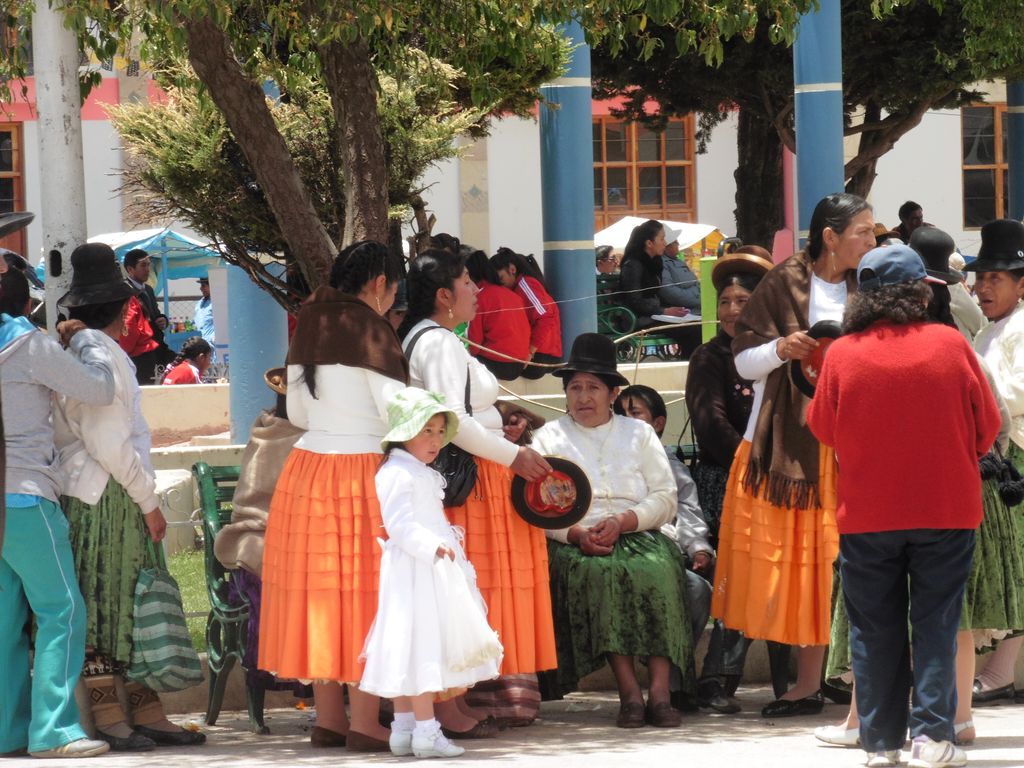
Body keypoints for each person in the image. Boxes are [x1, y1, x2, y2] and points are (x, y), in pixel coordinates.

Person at [808, 244, 1000, 768]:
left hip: (868, 514)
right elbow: (987, 428)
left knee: (874, 630)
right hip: (945, 508)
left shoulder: (842, 353)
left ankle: (880, 744)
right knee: (936, 624)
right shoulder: (950, 345)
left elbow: (823, 428)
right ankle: (932, 738)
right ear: (920, 292)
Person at [711, 193, 876, 718]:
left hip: (851, 444)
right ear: (830, 236)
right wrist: (783, 348)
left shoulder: (870, 284)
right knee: (800, 569)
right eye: (863, 231)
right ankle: (805, 684)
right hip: (786, 449)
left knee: (844, 568)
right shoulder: (783, 282)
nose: (871, 240)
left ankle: (845, 679)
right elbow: (744, 363)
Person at [53, 243, 205, 751]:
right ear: (123, 308)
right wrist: (149, 502)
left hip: (102, 493)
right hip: (107, 496)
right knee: (110, 601)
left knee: (123, 599)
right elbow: (109, 443)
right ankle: (112, 714)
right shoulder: (98, 355)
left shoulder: (85, 350)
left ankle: (142, 710)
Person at [258, 240, 409, 752]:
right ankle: (366, 722)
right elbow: (397, 413)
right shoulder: (372, 328)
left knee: (322, 593)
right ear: (380, 283)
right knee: (367, 593)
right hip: (360, 471)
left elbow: (297, 412)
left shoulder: (309, 322)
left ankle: (329, 719)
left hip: (308, 471)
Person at [400, 248, 556, 733]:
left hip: (478, 470)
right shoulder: (438, 342)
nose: (476, 290)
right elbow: (453, 420)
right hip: (473, 484)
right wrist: (514, 455)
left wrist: (498, 429)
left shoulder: (435, 338)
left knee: (468, 588)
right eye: (467, 282)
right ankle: (451, 704)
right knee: (466, 590)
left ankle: (459, 700)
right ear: (444, 296)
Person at [531, 333, 693, 729]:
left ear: (613, 393)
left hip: (639, 531)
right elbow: (537, 506)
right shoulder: (548, 437)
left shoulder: (639, 433)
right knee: (602, 575)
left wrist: (625, 521)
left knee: (657, 570)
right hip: (577, 539)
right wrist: (575, 534)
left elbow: (665, 497)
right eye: (575, 387)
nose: (583, 397)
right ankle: (630, 694)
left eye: (593, 387)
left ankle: (660, 693)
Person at [1, 265, 115, 759]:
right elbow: (99, 389)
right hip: (24, 495)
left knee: (4, 619)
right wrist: (88, 341)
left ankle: (7, 732)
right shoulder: (29, 346)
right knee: (61, 609)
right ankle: (54, 731)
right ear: (26, 303)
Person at [360, 388, 503, 759]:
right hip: (416, 570)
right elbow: (398, 524)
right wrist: (431, 545)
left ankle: (404, 728)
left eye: (440, 432)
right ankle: (426, 731)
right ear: (405, 432)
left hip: (429, 567)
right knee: (419, 645)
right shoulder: (396, 472)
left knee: (411, 644)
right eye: (427, 431)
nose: (436, 440)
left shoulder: (415, 470)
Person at [684, 245, 782, 714]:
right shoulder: (709, 357)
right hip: (728, 483)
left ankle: (805, 679)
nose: (731, 310)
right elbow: (711, 425)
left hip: (779, 483)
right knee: (738, 577)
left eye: (742, 301)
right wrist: (755, 466)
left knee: (783, 575)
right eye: (724, 301)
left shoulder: (777, 353)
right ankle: (718, 677)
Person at [614, 384, 712, 709]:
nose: (627, 420)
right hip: (619, 548)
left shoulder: (669, 463)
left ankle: (671, 683)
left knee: (697, 589)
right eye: (621, 414)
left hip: (665, 550)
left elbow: (687, 509)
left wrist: (697, 547)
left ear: (658, 423)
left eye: (635, 413)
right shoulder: (610, 458)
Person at [965, 218, 1024, 708]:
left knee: (1017, 565)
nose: (984, 287)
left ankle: (1001, 672)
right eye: (980, 277)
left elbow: (1016, 392)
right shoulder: (990, 329)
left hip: (1017, 459)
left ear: (1021, 284)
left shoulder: (1020, 329)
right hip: (998, 457)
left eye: (996, 278)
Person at [617, 219, 700, 358]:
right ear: (649, 243)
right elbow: (635, 300)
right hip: (639, 320)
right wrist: (664, 311)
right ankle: (690, 365)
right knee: (693, 330)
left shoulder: (654, 262)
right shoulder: (633, 265)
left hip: (654, 316)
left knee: (698, 325)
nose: (665, 243)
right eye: (661, 239)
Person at [490, 248, 562, 379]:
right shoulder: (521, 287)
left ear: (512, 269)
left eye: (501, 278)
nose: (500, 284)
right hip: (542, 356)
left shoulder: (525, 284)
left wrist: (530, 352)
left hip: (540, 356)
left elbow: (546, 317)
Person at [465, 250, 531, 381]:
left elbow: (474, 344)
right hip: (519, 365)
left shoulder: (480, 297)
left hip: (496, 363)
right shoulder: (514, 296)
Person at [123, 249, 174, 368]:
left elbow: (155, 314)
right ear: (130, 269)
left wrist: (162, 319)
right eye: (143, 265)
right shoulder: (125, 291)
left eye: (148, 265)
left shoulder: (148, 289)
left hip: (156, 346)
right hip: (139, 352)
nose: (147, 269)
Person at [658, 228, 702, 314]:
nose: (678, 244)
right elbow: (670, 292)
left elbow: (695, 283)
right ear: (667, 246)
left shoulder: (678, 261)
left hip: (697, 305)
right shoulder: (662, 263)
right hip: (686, 310)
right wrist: (700, 300)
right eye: (675, 242)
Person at [193, 277, 215, 353]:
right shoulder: (199, 304)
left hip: (214, 346)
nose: (201, 288)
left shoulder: (218, 303)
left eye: (203, 285)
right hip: (201, 346)